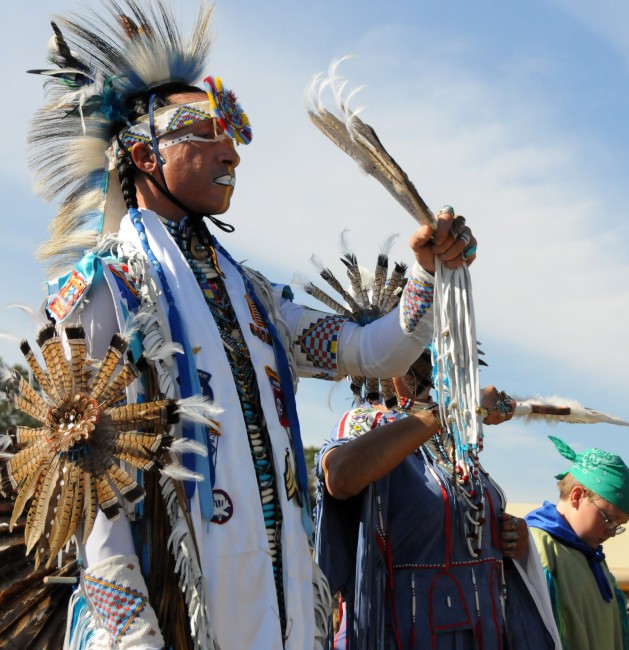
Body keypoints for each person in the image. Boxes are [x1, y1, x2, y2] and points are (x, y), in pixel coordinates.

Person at [8, 1, 477, 648]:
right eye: (204, 133)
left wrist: (428, 274)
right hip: (168, 618)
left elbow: (377, 352)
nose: (231, 153)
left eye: (232, 133)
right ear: (144, 154)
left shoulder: (256, 303)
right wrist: (133, 635)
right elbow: (95, 502)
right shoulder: (102, 292)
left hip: (276, 611)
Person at [315, 366, 561, 649]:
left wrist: (512, 540)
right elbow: (341, 476)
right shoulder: (364, 421)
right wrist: (452, 410)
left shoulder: (452, 437)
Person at [526, 436, 629, 650]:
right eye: (609, 519)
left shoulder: (596, 561)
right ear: (578, 495)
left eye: (619, 526)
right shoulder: (537, 546)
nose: (612, 532)